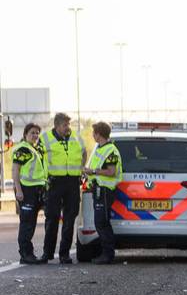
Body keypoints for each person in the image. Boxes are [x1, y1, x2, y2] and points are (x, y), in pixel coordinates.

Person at [37, 112, 86, 264]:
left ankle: (64, 254)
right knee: (51, 218)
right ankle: (48, 253)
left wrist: (81, 167)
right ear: (57, 126)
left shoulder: (76, 137)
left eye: (68, 125)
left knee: (70, 218)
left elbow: (84, 152)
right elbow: (38, 159)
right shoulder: (45, 139)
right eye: (65, 125)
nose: (67, 128)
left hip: (72, 182)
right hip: (54, 182)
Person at [84, 121, 121, 265]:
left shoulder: (110, 150)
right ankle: (105, 253)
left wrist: (92, 171)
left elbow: (111, 172)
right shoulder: (99, 148)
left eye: (94, 133)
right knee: (101, 223)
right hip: (99, 190)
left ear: (98, 134)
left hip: (105, 191)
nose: (93, 135)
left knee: (102, 223)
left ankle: (108, 255)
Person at [11, 123, 48, 265]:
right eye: (32, 133)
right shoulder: (23, 149)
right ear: (25, 134)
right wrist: (18, 190)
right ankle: (25, 254)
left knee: (32, 222)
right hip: (26, 190)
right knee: (27, 223)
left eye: (37, 133)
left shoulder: (36, 149)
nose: (35, 135)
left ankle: (29, 253)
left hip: (37, 189)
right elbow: (15, 171)